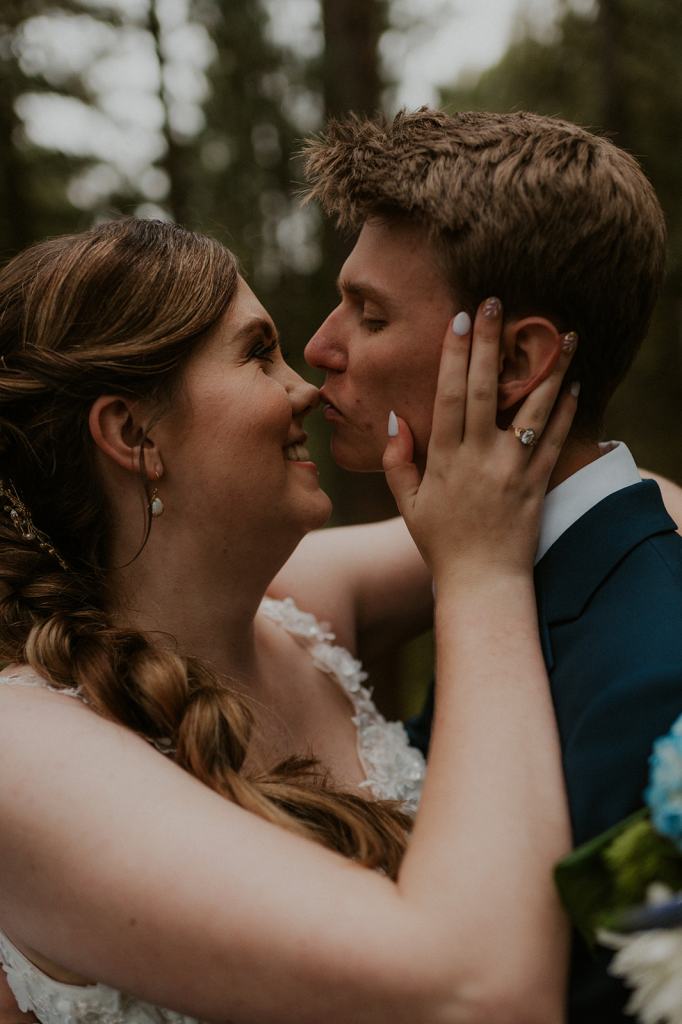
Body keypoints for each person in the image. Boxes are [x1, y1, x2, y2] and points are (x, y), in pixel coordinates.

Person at [0, 216, 577, 1023]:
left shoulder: (294, 606)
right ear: (133, 432)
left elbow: (584, 507)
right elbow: (480, 991)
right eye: (257, 352)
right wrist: (480, 578)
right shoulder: (23, 752)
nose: (305, 383)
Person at [297, 107, 682, 1022]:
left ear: (518, 359)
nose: (319, 348)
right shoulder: (502, 581)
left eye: (371, 312)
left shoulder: (655, 687)